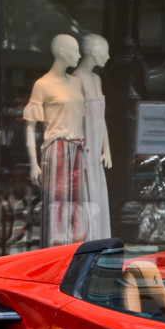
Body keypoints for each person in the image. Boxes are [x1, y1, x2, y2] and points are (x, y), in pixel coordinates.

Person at [24, 34, 88, 246]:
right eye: (75, 50)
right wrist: (34, 163)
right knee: (58, 202)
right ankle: (55, 250)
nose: (79, 55)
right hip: (57, 148)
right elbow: (30, 125)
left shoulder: (78, 83)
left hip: (78, 148)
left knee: (77, 202)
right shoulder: (42, 85)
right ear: (61, 51)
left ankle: (76, 250)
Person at [72, 34, 114, 240]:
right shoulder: (75, 80)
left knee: (97, 197)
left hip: (96, 154)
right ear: (94, 53)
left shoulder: (97, 79)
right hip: (84, 152)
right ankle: (86, 243)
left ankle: (98, 240)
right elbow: (74, 120)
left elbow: (101, 117)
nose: (107, 56)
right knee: (85, 201)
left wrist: (107, 149)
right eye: (104, 51)